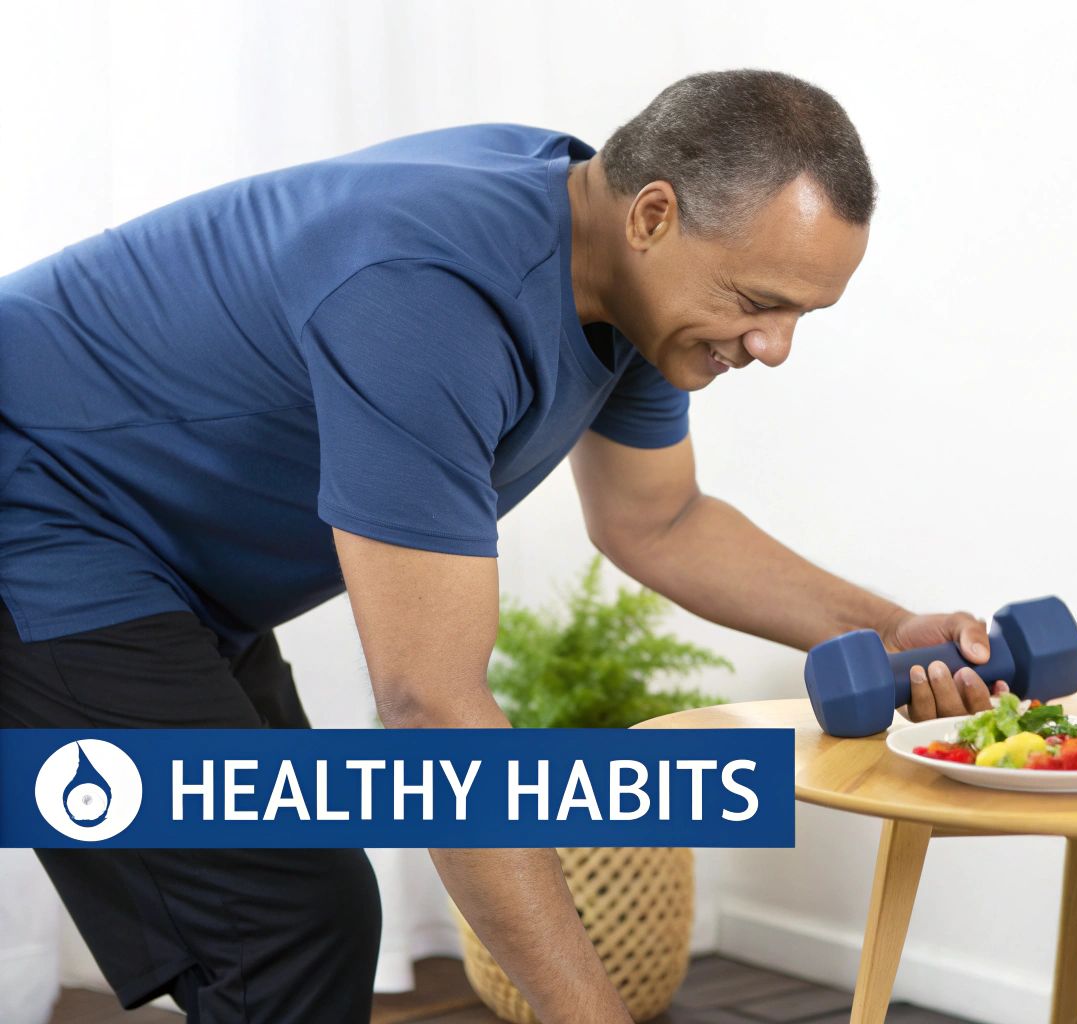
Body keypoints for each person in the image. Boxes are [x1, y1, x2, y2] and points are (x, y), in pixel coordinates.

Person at [0, 69, 1007, 1024]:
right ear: (653, 214)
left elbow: (658, 520)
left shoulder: (627, 280)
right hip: (39, 511)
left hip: (160, 563)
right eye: (759, 304)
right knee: (281, 921)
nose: (774, 347)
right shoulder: (427, 296)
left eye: (802, 314)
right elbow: (431, 704)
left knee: (297, 911)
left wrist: (891, 629)